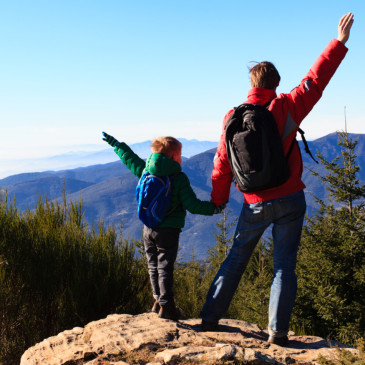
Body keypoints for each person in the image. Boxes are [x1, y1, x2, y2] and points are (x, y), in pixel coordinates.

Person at [200, 13, 354, 345]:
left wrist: (218, 199)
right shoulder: (288, 106)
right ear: (275, 84)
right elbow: (317, 79)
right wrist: (338, 43)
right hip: (289, 199)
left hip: (253, 202)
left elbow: (221, 163)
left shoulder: (233, 117)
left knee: (237, 256)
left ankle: (210, 317)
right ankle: (277, 333)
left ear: (252, 85)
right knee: (284, 266)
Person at [102, 133, 224, 321]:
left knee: (153, 265)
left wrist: (117, 145)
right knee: (165, 267)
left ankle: (157, 301)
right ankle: (167, 307)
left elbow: (130, 159)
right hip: (168, 231)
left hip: (148, 227)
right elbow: (193, 205)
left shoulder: (146, 171)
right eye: (180, 155)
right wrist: (215, 209)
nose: (181, 158)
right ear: (174, 157)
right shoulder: (178, 178)